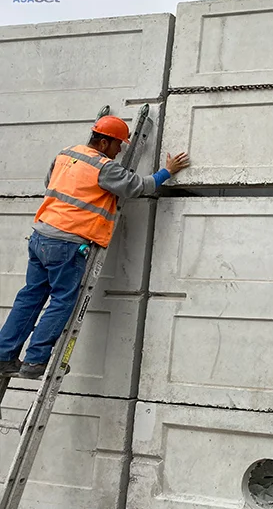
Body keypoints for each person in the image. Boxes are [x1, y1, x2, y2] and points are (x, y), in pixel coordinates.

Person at [0, 116, 190, 380]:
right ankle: (35, 361)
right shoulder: (104, 167)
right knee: (62, 301)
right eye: (118, 145)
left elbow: (51, 184)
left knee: (30, 297)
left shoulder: (66, 154)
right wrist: (166, 171)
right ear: (103, 142)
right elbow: (137, 186)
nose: (119, 151)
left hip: (41, 236)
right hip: (67, 243)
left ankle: (4, 356)